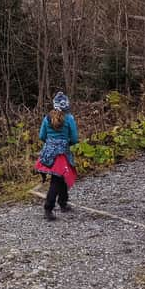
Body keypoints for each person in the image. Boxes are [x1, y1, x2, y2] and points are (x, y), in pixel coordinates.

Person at [35, 92, 80, 221]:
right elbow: (75, 138)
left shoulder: (47, 118)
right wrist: (66, 143)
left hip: (48, 153)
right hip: (61, 155)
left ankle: (63, 203)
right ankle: (48, 208)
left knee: (60, 179)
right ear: (66, 105)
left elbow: (42, 136)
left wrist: (51, 143)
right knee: (57, 180)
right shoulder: (69, 118)